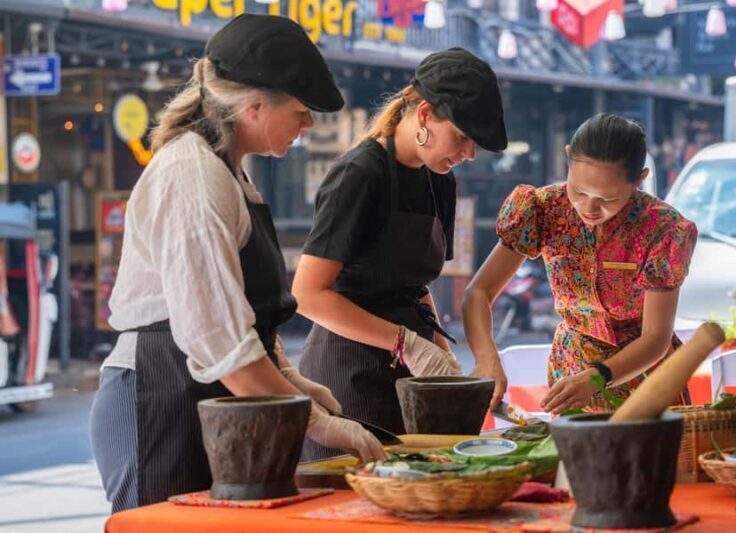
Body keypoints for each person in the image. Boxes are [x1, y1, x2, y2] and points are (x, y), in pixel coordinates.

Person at [89, 14, 385, 513]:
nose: (308, 124)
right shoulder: (192, 174)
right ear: (252, 107)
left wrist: (291, 379)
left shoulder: (231, 174)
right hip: (161, 399)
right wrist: (316, 420)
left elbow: (241, 319)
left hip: (211, 398)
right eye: (300, 111)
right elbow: (219, 339)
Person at [292, 48, 508, 459]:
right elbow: (307, 294)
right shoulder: (359, 174)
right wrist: (407, 344)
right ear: (424, 113)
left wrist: (444, 361)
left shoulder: (440, 180)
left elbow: (414, 286)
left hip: (414, 378)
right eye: (462, 137)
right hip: (347, 371)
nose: (468, 154)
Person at [463, 113, 697, 415]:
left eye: (607, 198)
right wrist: (486, 360)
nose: (588, 208)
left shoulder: (663, 229)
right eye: (579, 191)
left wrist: (599, 376)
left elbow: (656, 339)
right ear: (568, 157)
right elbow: (479, 292)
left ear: (639, 180)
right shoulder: (544, 209)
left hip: (647, 378)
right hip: (571, 370)